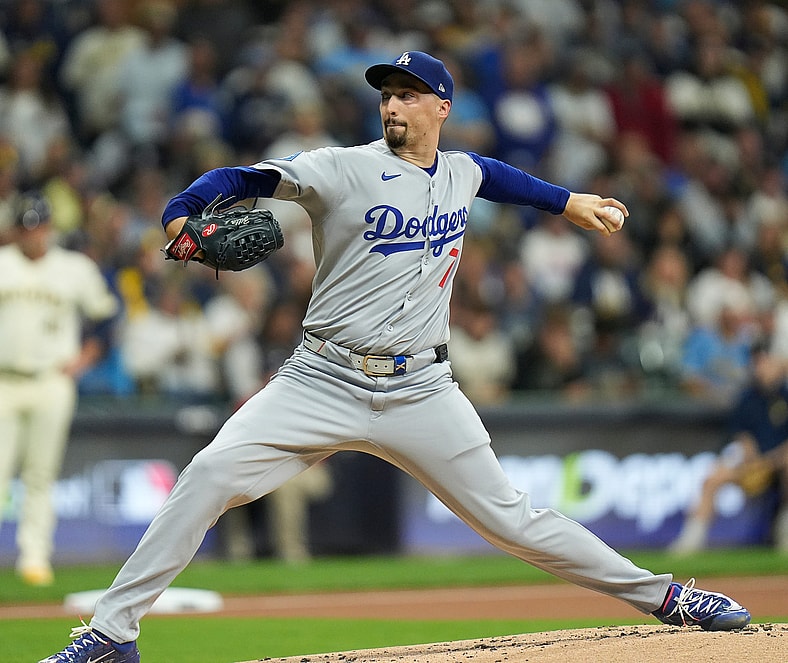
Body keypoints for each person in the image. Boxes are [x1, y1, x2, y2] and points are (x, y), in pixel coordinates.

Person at [41, 50, 751, 663]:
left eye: (408, 94)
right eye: (386, 94)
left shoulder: (461, 172)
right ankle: (112, 632)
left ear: (441, 106)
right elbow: (236, 177)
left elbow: (495, 176)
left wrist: (567, 201)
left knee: (514, 518)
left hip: (423, 388)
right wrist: (181, 217)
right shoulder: (339, 169)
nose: (393, 104)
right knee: (207, 476)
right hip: (320, 377)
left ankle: (669, 597)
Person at [0, 193, 118, 587]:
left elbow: (104, 319)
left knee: (40, 474)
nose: (34, 234)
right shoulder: (3, 263)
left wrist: (83, 359)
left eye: (39, 226)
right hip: (4, 379)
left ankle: (35, 558)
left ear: (49, 228)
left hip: (51, 379)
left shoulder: (74, 268)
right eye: (27, 227)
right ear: (16, 230)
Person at [670, 343, 788, 554]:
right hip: (753, 464)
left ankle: (786, 536)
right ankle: (690, 542)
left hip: (778, 464)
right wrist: (751, 459)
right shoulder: (748, 397)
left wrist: (769, 462)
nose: (760, 367)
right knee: (712, 479)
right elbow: (742, 436)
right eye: (757, 362)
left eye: (765, 362)